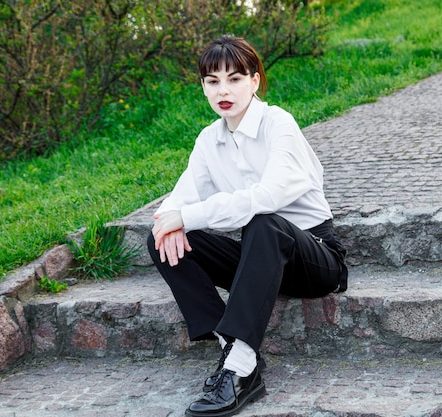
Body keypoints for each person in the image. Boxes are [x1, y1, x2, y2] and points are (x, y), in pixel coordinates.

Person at [147, 34, 348, 417]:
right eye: (212, 81)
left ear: (255, 81)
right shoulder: (209, 139)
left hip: (315, 258)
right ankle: (230, 342)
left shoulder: (278, 124)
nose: (223, 90)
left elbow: (269, 196)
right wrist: (170, 220)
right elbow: (181, 196)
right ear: (203, 86)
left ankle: (242, 369)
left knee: (264, 221)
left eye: (235, 78)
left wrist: (188, 216)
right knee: (160, 237)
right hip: (258, 262)